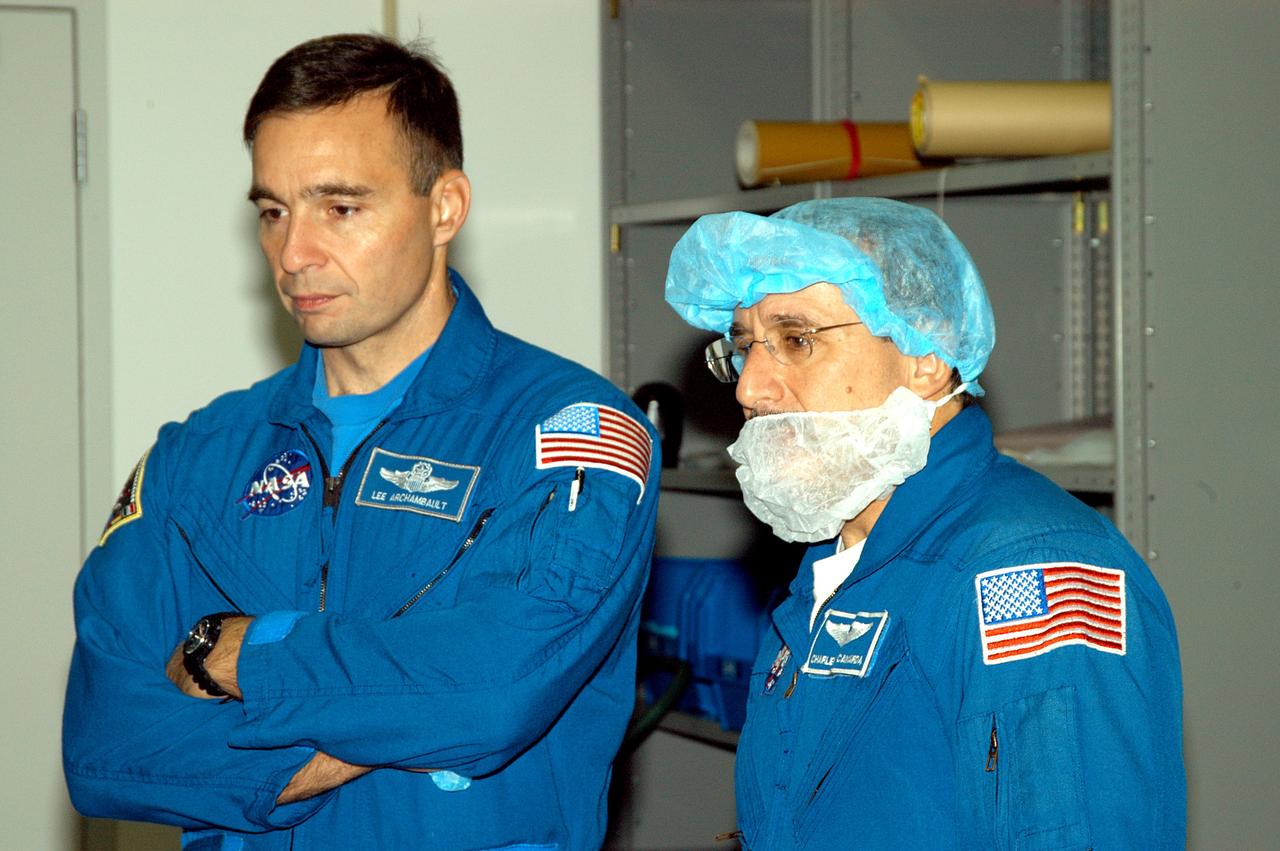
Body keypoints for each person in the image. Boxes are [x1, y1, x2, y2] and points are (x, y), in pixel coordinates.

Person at [63, 33, 658, 850]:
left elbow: (490, 689)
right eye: (273, 211)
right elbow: (103, 748)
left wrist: (241, 656)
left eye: (340, 207)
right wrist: (377, 724)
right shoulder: (197, 456)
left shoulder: (568, 433)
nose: (293, 254)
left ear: (445, 207)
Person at [664, 197, 1185, 848]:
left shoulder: (1029, 566)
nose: (749, 387)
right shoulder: (835, 559)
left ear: (926, 356)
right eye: (744, 347)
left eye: (796, 339)